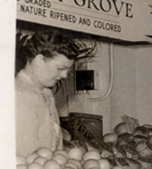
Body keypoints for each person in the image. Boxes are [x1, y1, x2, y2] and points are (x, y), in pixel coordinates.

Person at [15, 24, 95, 158]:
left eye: (67, 70)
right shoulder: (21, 95)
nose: (64, 76)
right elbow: (26, 158)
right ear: (39, 61)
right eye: (60, 68)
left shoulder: (46, 92)